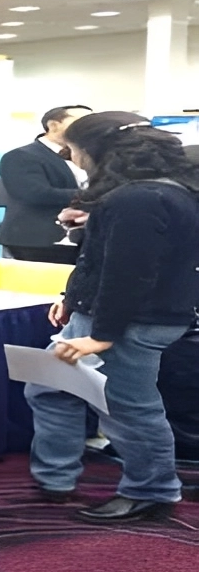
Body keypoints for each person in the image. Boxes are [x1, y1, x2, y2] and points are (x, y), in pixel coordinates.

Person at [26, 111, 199, 523]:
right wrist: (72, 296)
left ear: (96, 149)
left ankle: (150, 490)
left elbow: (130, 274)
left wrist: (102, 334)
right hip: (113, 314)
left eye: (73, 148)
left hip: (127, 323)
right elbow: (108, 260)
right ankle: (56, 479)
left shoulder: (137, 199)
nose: (69, 156)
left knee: (129, 409)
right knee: (49, 387)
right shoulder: (158, 193)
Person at [0, 104, 93, 264]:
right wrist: (96, 195)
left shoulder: (90, 155)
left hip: (83, 237)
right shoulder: (20, 157)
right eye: (82, 121)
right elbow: (34, 194)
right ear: (54, 125)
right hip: (37, 240)